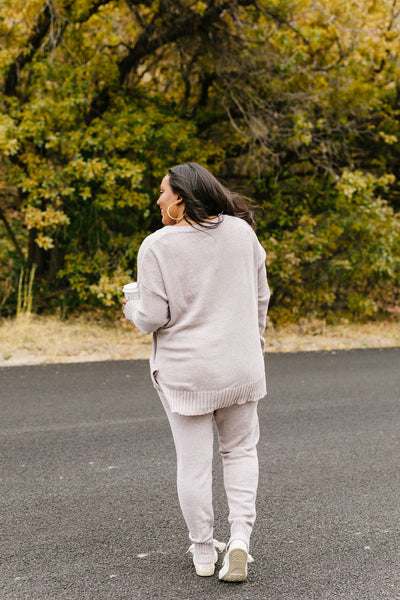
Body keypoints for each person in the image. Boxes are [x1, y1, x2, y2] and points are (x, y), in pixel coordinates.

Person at [123, 162, 270, 582]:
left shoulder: (156, 246)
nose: (159, 199)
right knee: (240, 452)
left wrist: (129, 307)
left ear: (182, 200)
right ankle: (239, 540)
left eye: (164, 192)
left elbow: (151, 317)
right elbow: (260, 296)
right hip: (241, 366)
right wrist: (252, 342)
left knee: (193, 462)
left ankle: (204, 553)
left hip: (187, 373)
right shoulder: (243, 233)